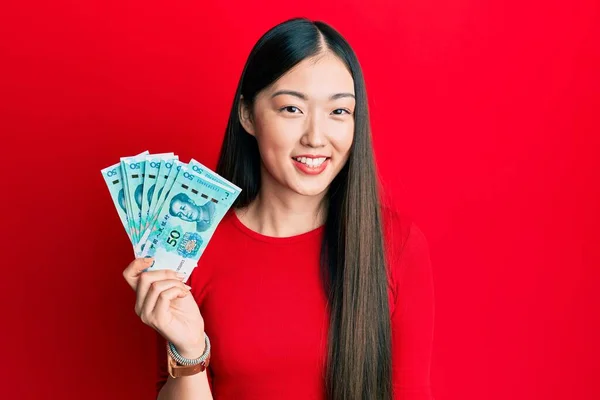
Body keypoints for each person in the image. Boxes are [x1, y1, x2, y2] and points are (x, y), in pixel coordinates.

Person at [123, 17, 435, 400]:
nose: (316, 137)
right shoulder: (192, 244)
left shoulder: (398, 246)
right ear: (248, 115)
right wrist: (190, 352)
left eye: (339, 112)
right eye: (291, 109)